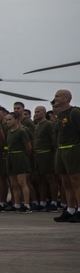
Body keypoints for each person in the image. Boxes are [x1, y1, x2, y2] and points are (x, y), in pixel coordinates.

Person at [52, 89, 80, 223]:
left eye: (58, 96)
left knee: (76, 181)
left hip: (73, 149)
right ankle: (70, 209)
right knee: (66, 183)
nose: (55, 98)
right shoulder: (59, 114)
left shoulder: (74, 112)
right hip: (61, 150)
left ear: (67, 98)